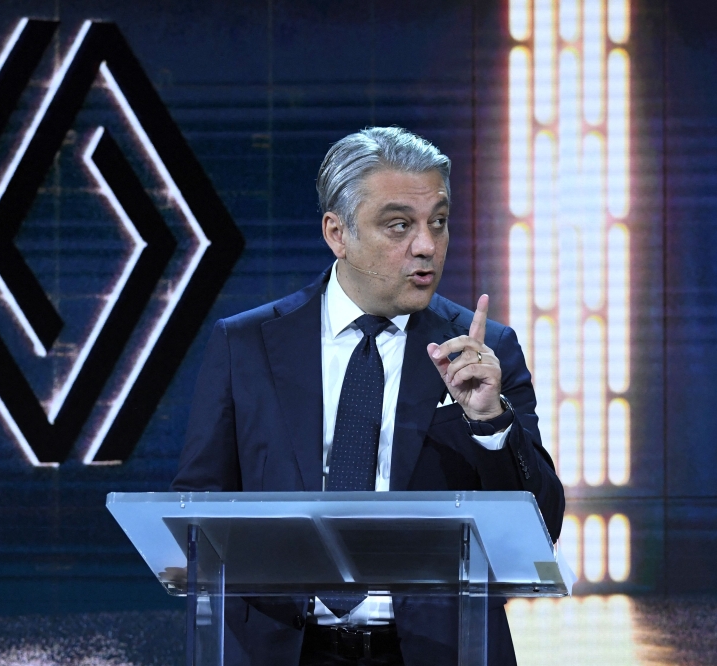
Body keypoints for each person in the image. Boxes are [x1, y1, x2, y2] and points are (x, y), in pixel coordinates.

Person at [171, 127, 564, 666]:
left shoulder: (484, 351)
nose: (426, 245)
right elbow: (200, 517)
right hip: (282, 650)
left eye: (439, 222)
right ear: (338, 233)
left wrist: (490, 422)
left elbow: (541, 528)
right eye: (399, 225)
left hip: (434, 651)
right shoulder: (247, 345)